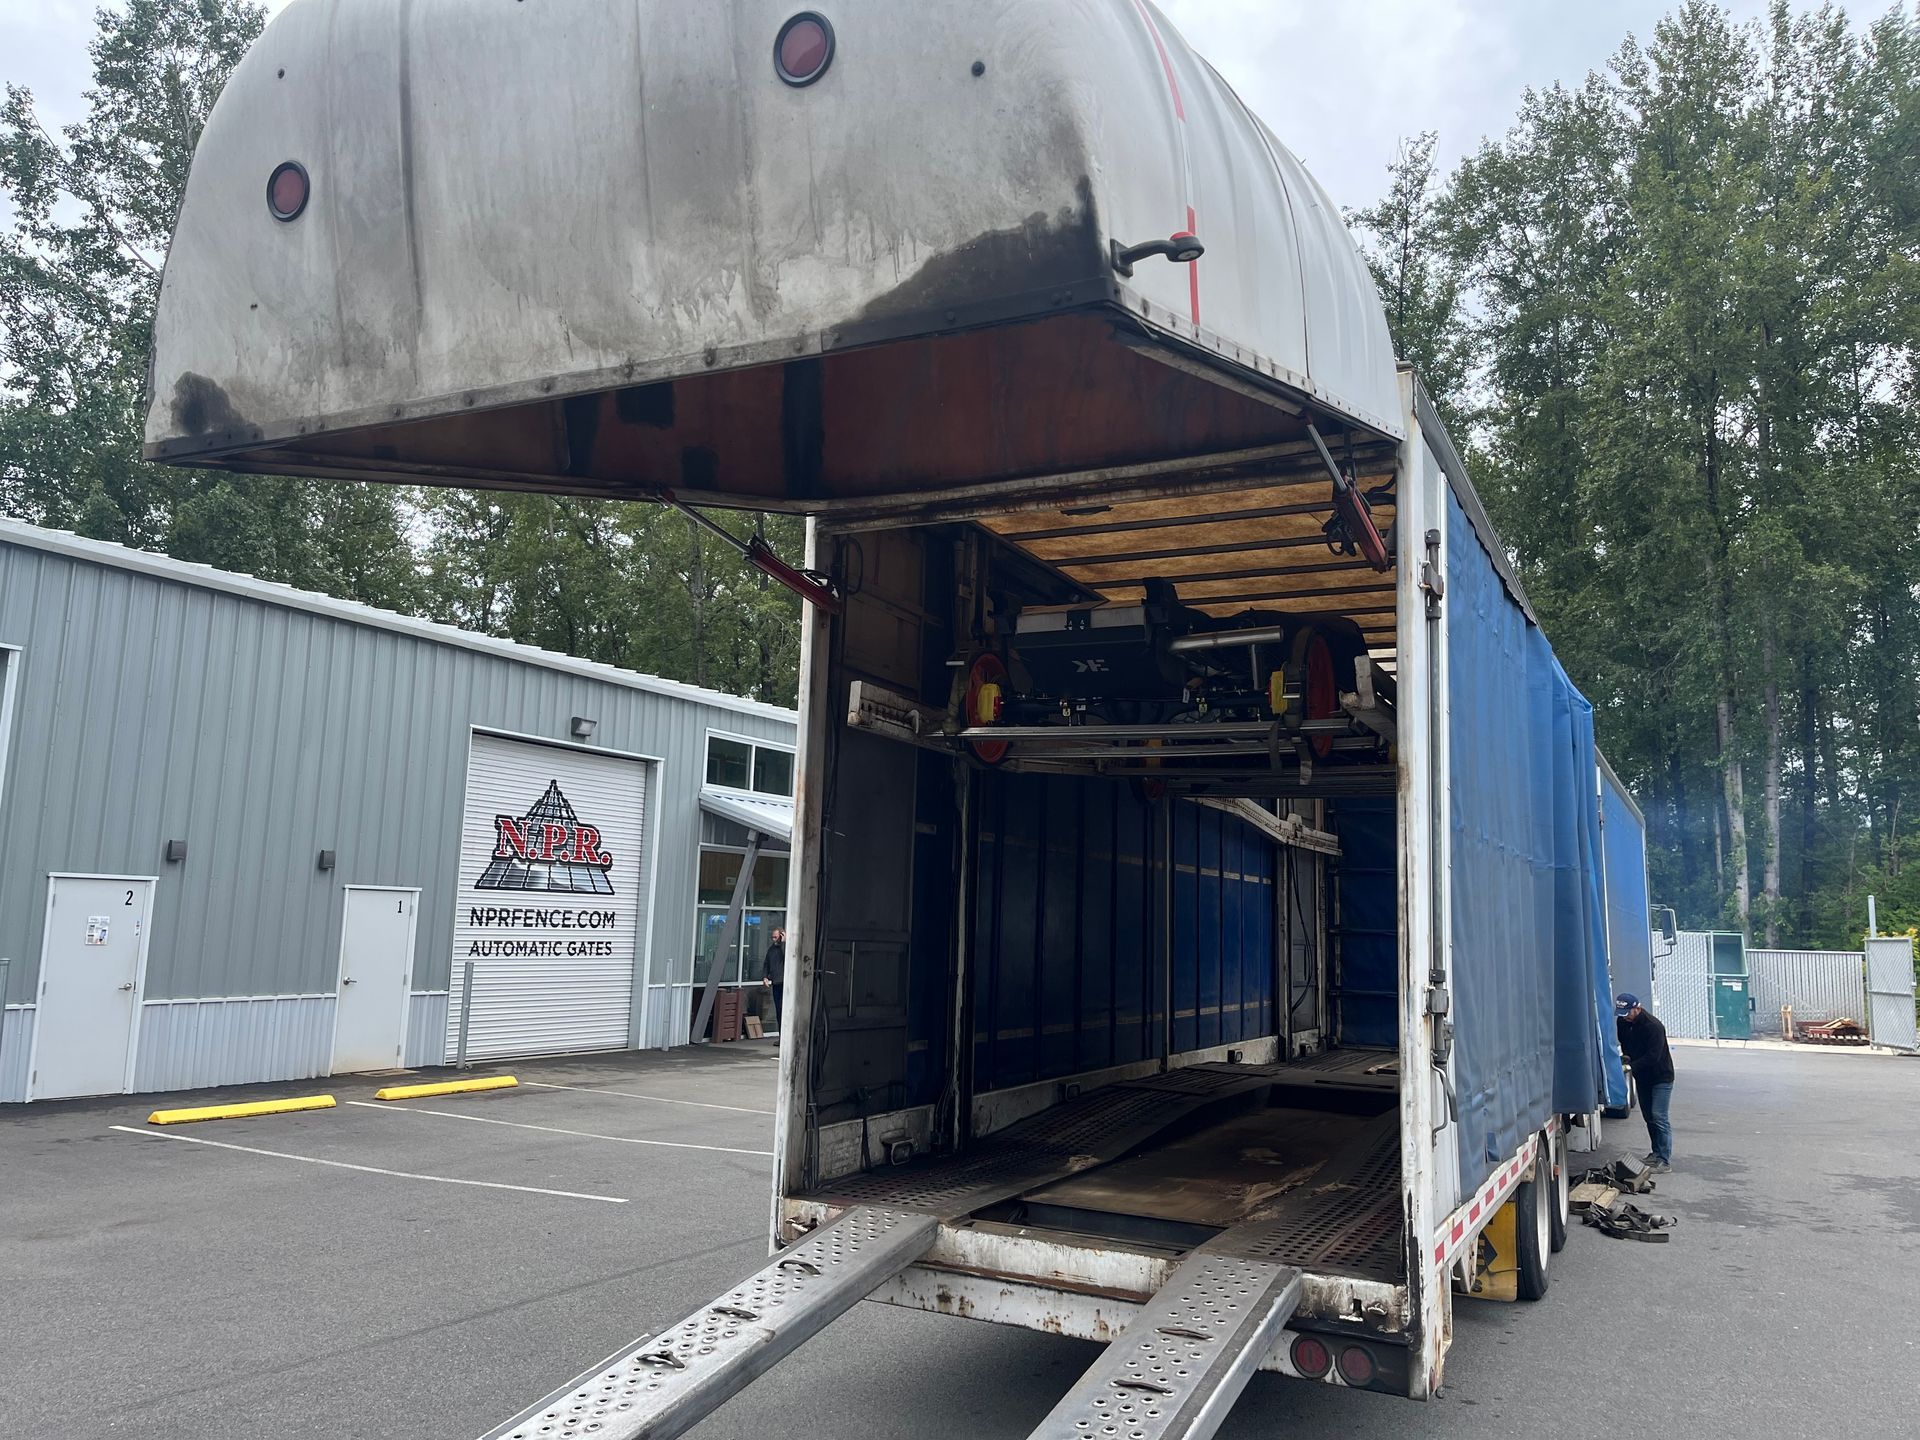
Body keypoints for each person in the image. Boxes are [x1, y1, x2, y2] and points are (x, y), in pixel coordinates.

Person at [1615, 993, 1674, 1172]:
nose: (1625, 1017)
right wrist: (1625, 1060)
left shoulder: (1654, 1027)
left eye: (1628, 1013)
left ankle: (1664, 1159)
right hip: (1642, 1077)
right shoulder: (1623, 1023)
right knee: (1649, 1116)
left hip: (1661, 1077)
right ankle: (1655, 1153)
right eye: (1622, 1013)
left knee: (1659, 1116)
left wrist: (1631, 1066)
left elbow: (1653, 1056)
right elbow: (1625, 1046)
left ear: (1637, 1009)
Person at [760, 928, 787, 1035]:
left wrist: (785, 943)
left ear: (781, 936)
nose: (773, 939)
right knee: (779, 1011)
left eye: (776, 937)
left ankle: (785, 1038)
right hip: (776, 983)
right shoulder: (772, 949)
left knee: (784, 1011)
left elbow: (789, 957)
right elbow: (766, 963)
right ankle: (781, 1037)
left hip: (784, 983)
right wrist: (765, 977)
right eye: (772, 937)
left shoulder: (784, 948)